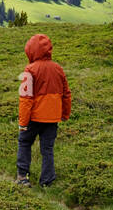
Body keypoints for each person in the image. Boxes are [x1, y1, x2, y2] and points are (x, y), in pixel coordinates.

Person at [16, 33, 72, 187]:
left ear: (31, 51)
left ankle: (22, 177)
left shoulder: (30, 69)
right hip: (52, 118)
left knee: (25, 142)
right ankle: (47, 181)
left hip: (34, 117)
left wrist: (23, 122)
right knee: (47, 149)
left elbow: (26, 98)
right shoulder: (58, 69)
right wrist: (65, 114)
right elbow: (66, 94)